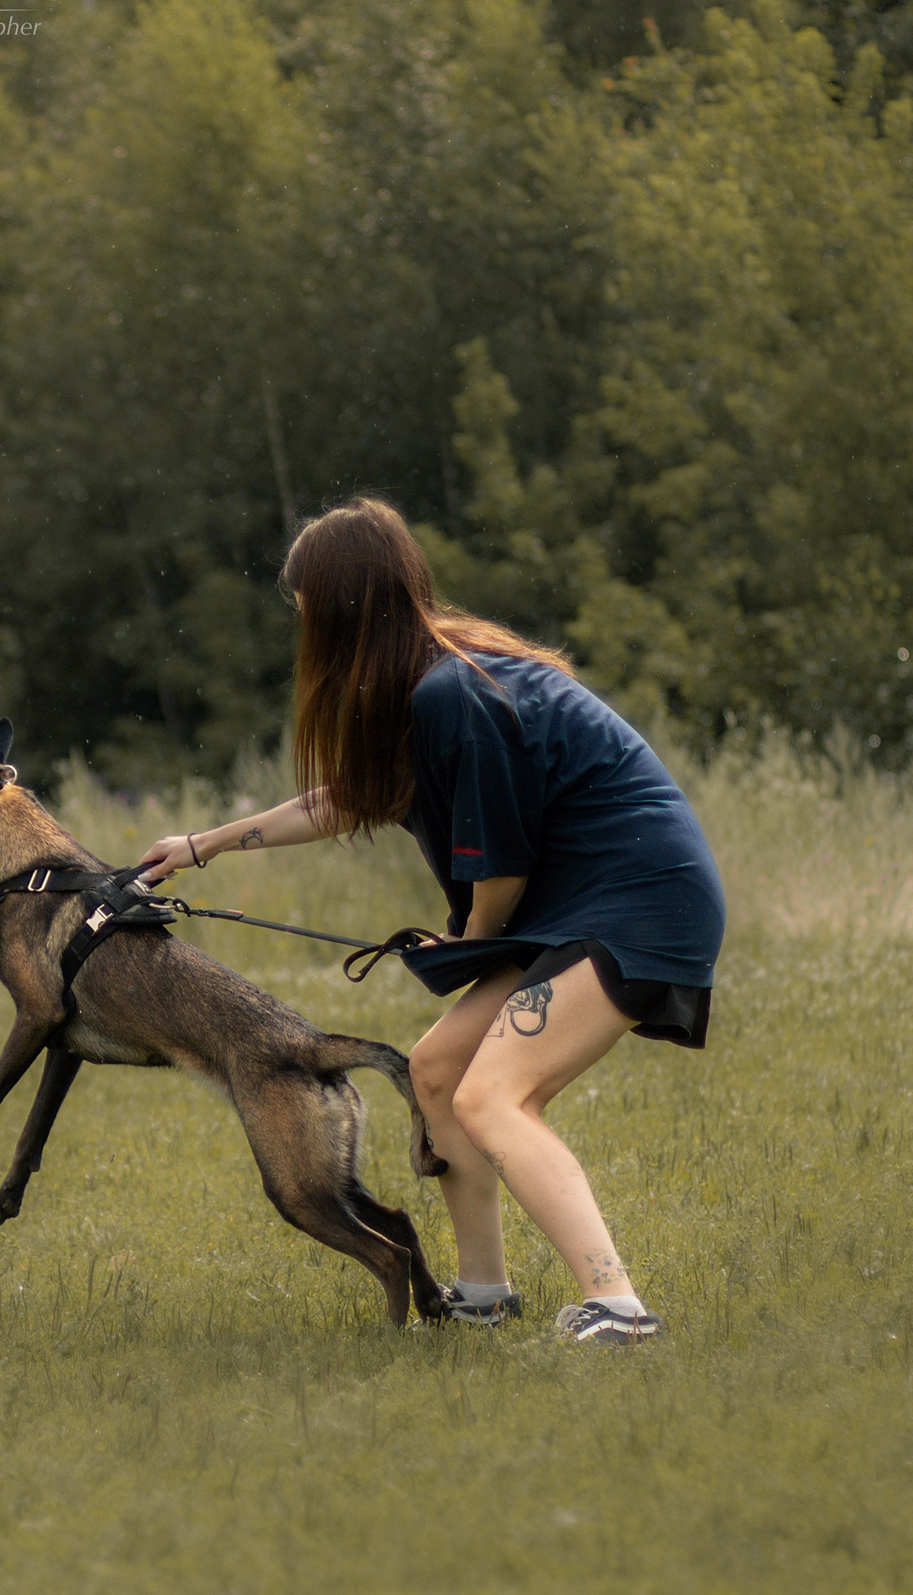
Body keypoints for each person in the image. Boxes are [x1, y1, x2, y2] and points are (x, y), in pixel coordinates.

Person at [139, 497, 724, 1345]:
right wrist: (204, 845)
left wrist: (472, 940)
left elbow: (505, 866)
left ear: (339, 607)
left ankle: (620, 1309)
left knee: (495, 1095)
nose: (304, 632)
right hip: (580, 906)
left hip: (640, 900)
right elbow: (347, 798)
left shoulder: (456, 692)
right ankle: (483, 1297)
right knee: (438, 1071)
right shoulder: (421, 682)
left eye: (306, 611)